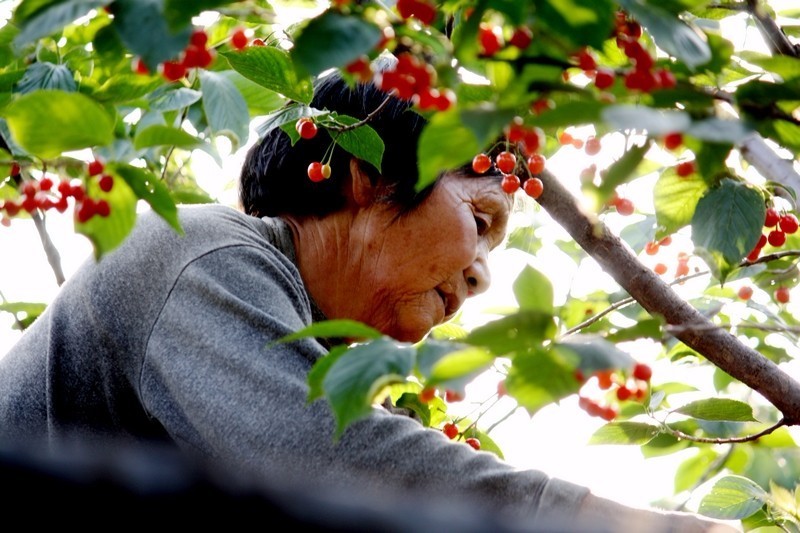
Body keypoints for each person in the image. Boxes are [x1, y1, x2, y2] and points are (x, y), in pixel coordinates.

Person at [0, 63, 735, 531]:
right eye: (480, 221)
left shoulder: (302, 350)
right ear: (365, 171)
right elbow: (320, 454)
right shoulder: (199, 249)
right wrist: (627, 525)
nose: (480, 273)